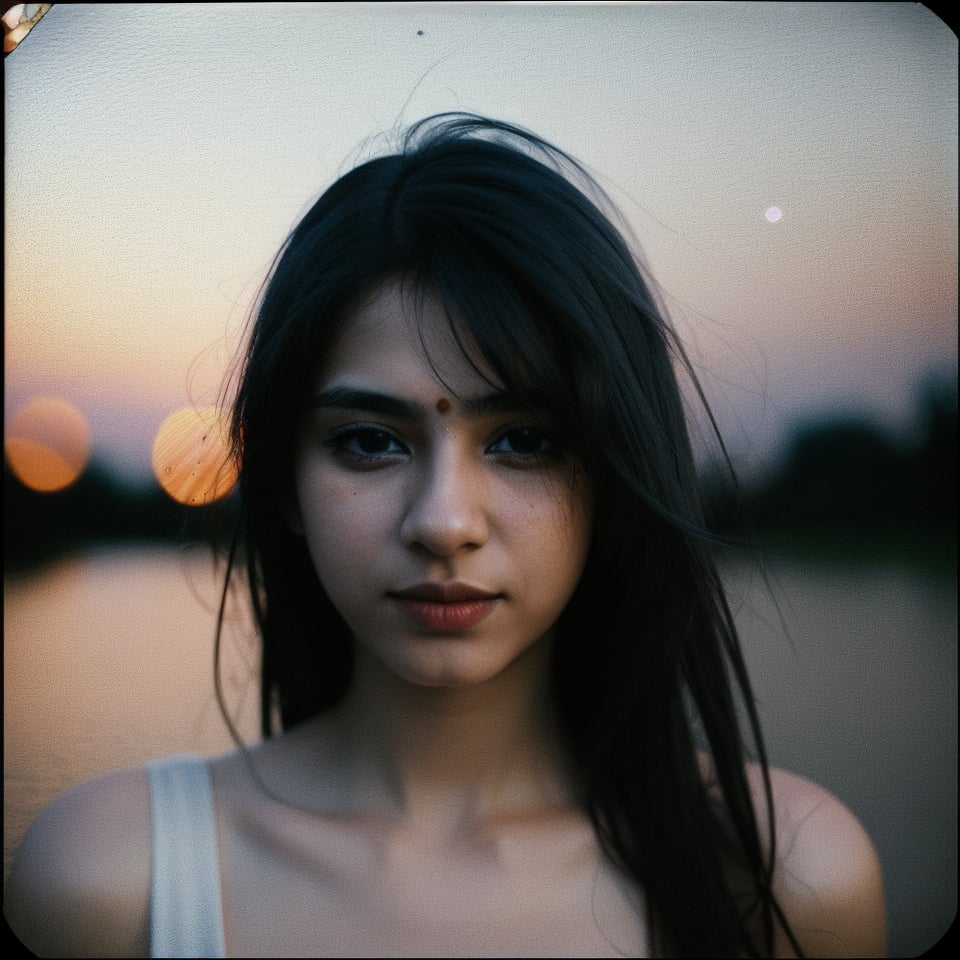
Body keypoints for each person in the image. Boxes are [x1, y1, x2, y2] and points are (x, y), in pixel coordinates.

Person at [4, 113, 886, 958]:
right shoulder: (111, 883)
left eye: (525, 440)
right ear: (283, 487)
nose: (444, 522)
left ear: (616, 474)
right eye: (369, 442)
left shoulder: (787, 878)